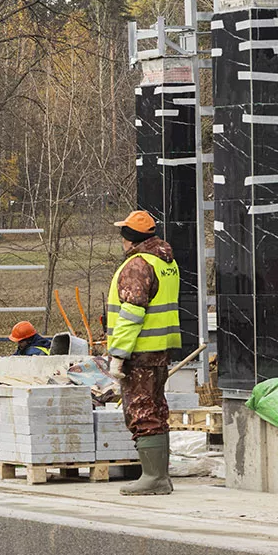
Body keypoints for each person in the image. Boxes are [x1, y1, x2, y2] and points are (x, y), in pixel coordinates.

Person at [105, 209, 183, 496]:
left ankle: (153, 477)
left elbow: (131, 314)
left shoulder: (138, 265)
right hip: (159, 349)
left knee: (140, 410)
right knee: (156, 408)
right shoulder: (166, 261)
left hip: (139, 351)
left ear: (129, 239)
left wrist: (119, 355)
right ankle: (159, 474)